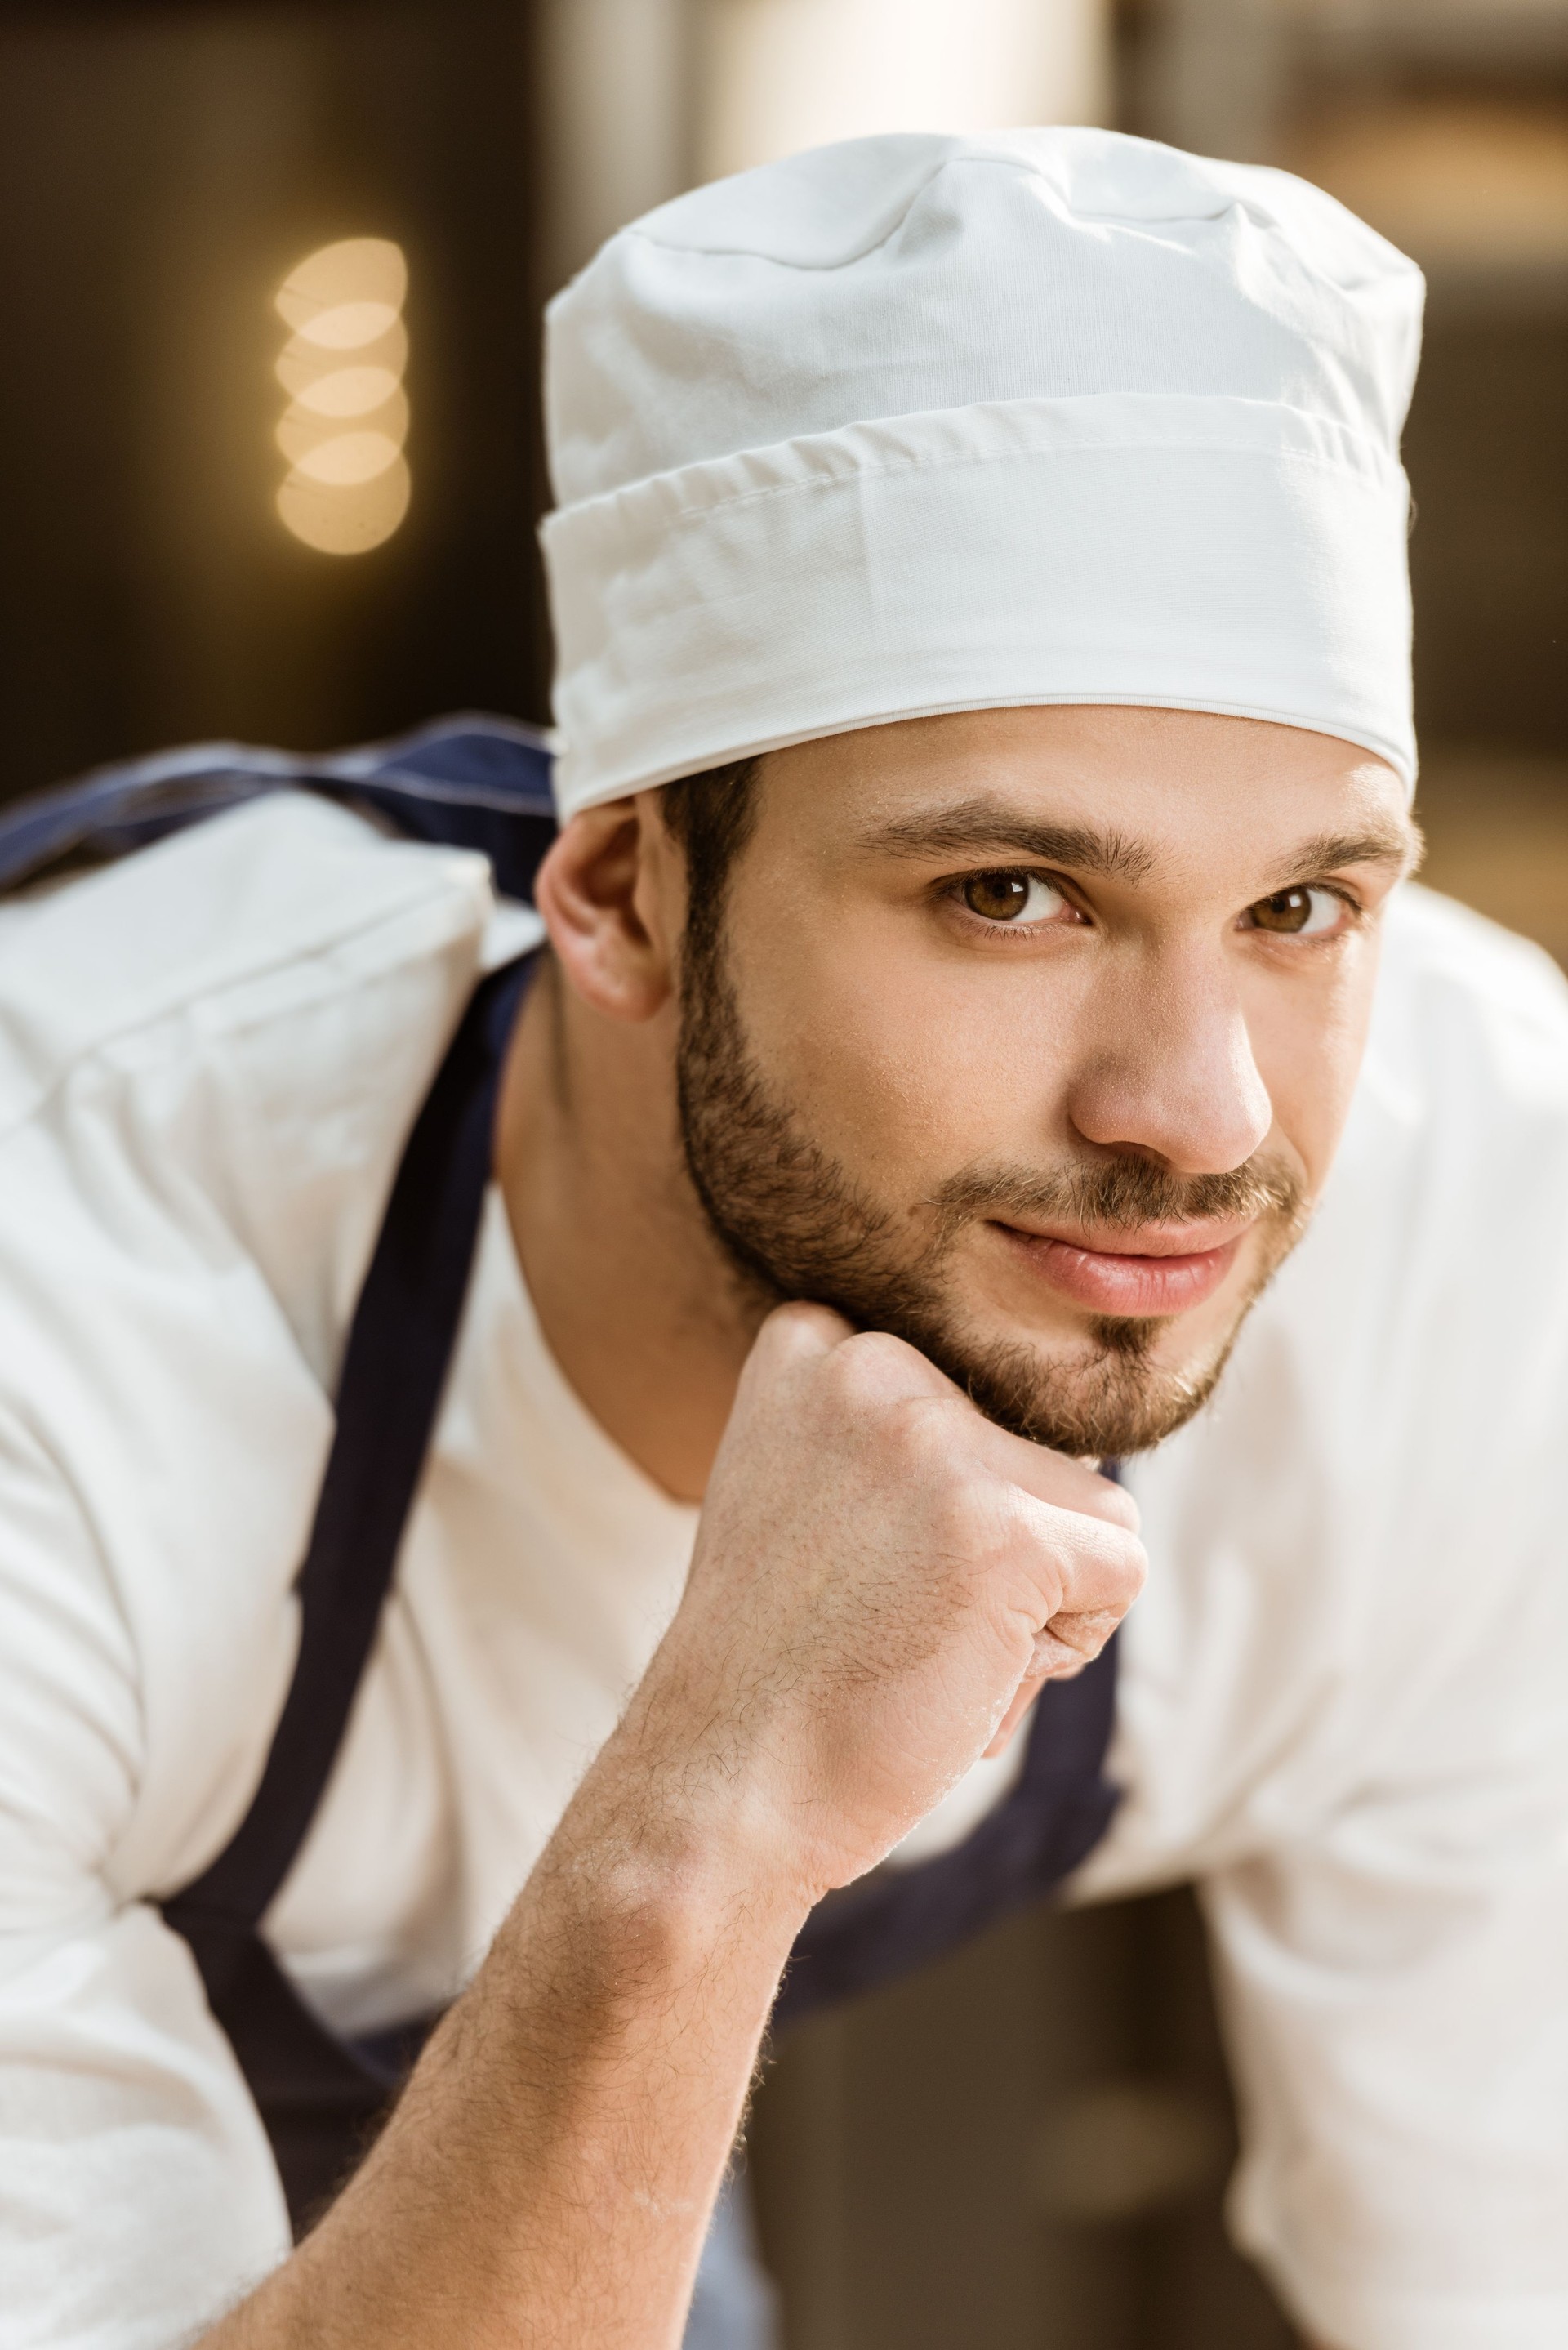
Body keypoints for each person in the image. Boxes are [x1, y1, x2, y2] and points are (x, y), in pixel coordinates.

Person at [0, 125, 1564, 2350]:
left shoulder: (1482, 1228)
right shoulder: (64, 1305)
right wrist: (712, 1814)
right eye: (1012, 897)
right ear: (622, 893)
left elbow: (1495, 2274)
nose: (1198, 1116)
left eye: (1302, 906)